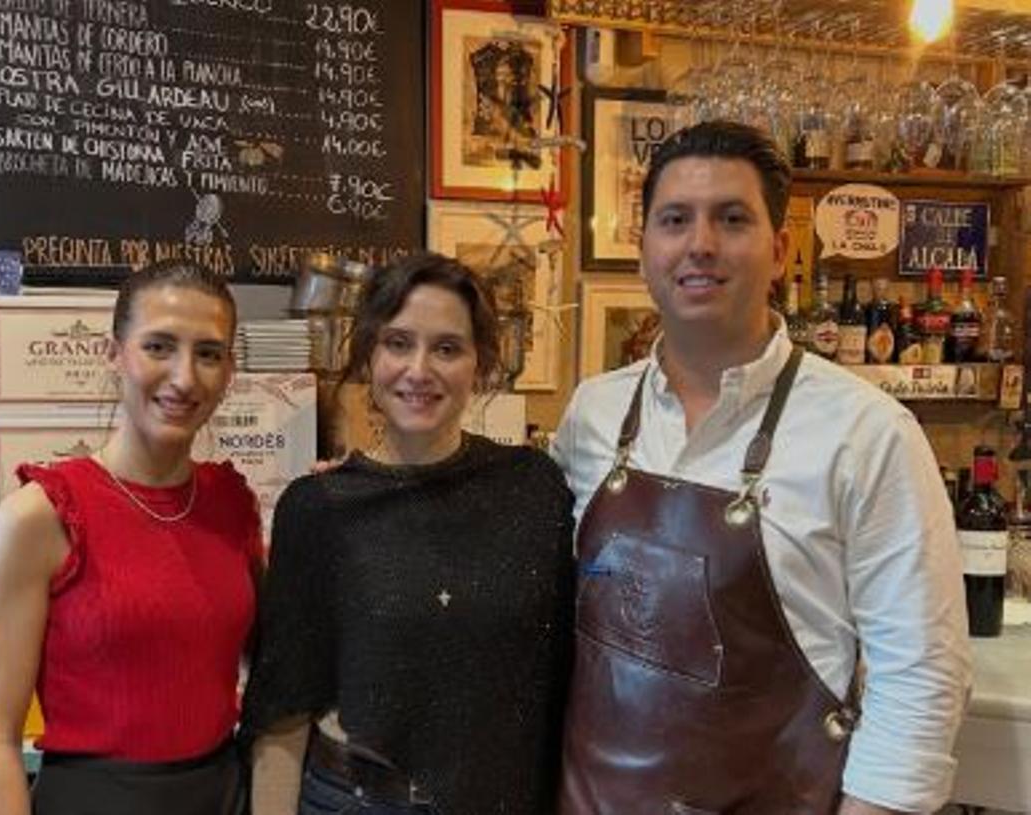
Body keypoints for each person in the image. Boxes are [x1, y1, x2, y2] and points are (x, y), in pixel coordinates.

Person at [552, 121, 972, 815]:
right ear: (643, 247)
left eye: (732, 218)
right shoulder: (593, 413)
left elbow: (921, 673)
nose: (700, 244)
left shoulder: (866, 434)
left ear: (779, 251)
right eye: (675, 219)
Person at [242, 252, 574, 815]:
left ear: (480, 362)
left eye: (447, 348)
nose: (419, 370)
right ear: (368, 355)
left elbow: (557, 682)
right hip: (355, 801)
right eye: (398, 343)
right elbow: (283, 713)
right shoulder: (319, 508)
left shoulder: (533, 489)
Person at [0, 260, 263, 815]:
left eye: (208, 353)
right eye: (158, 347)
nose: (184, 377)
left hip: (224, 795)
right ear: (113, 355)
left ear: (229, 371)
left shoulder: (232, 504)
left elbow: (276, 657)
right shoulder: (39, 517)